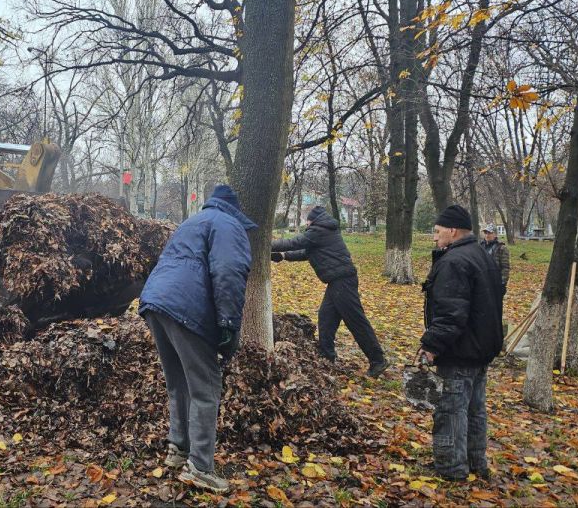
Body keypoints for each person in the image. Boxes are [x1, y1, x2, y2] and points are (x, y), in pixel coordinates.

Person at [138, 184, 256, 494]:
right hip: (184, 307)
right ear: (236, 210)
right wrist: (228, 325)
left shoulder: (192, 221)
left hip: (155, 302)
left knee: (178, 381)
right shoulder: (229, 225)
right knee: (206, 388)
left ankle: (178, 450)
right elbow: (229, 272)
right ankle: (200, 467)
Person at [418, 205, 503, 481]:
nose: (435, 237)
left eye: (438, 231)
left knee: (452, 411)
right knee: (475, 410)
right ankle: (476, 463)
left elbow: (451, 313)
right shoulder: (481, 254)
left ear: (452, 231)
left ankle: (452, 470)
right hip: (481, 349)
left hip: (460, 350)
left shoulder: (454, 262)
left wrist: (431, 345)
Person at [271, 206, 389, 377]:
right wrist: (283, 256)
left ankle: (378, 360)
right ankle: (327, 357)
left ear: (313, 220)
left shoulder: (319, 231)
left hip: (343, 282)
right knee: (326, 318)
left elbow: (295, 242)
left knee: (355, 320)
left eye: (307, 221)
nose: (307, 224)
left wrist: (265, 243)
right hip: (337, 282)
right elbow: (305, 252)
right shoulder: (322, 232)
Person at [480, 224, 510, 296]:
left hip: (495, 283)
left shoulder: (501, 248)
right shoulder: (480, 246)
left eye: (490, 233)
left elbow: (505, 268)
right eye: (486, 233)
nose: (487, 235)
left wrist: (502, 283)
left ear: (495, 234)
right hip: (482, 282)